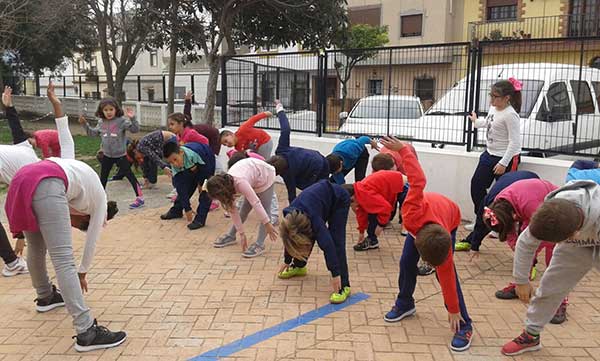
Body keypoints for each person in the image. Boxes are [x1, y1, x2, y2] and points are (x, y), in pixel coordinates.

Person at [4, 83, 125, 352]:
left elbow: (65, 136)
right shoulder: (99, 204)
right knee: (62, 259)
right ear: (85, 216)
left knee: (37, 246)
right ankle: (87, 332)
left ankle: (46, 296)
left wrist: (57, 105)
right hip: (44, 181)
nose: (72, 223)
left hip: (23, 180)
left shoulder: (75, 172)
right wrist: (81, 272)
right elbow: (92, 241)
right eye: (76, 223)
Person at [379, 136, 473, 352]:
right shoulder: (410, 211)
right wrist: (403, 150)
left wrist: (453, 308)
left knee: (445, 273)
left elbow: (448, 278)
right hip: (425, 213)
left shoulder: (442, 244)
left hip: (449, 216)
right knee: (406, 262)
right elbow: (418, 180)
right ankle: (405, 303)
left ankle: (465, 324)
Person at [501, 180, 600, 355]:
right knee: (549, 288)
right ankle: (531, 336)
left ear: (573, 234)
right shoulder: (550, 212)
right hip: (576, 247)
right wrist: (521, 280)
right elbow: (525, 243)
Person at [482, 178, 568, 324]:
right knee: (524, 251)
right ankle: (520, 285)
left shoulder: (529, 206)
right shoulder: (499, 204)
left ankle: (560, 301)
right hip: (535, 209)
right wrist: (517, 249)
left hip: (558, 213)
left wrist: (527, 254)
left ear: (513, 217)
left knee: (554, 258)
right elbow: (510, 233)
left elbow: (537, 238)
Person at [279, 180, 352, 303]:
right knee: (302, 237)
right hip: (317, 203)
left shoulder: (314, 219)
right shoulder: (289, 217)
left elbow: (328, 246)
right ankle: (299, 266)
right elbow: (289, 239)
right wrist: (287, 260)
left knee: (336, 241)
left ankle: (344, 286)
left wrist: (335, 274)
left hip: (338, 200)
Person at [467, 78, 522, 230]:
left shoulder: (511, 115)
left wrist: (503, 163)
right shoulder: (494, 109)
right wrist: (476, 121)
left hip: (506, 158)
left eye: (495, 96)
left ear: (507, 98)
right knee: (476, 186)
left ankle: (500, 226)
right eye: (490, 95)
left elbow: (514, 142)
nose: (492, 99)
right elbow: (487, 123)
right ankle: (481, 219)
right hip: (489, 154)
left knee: (503, 194)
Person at [0, 86, 40, 277]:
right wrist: (21, 238)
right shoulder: (36, 179)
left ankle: (11, 262)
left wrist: (9, 108)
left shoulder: (27, 148)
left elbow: (17, 129)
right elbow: (21, 210)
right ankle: (12, 263)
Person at [206, 157, 279, 258]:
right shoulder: (227, 185)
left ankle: (260, 244)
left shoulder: (240, 182)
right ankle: (231, 235)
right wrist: (242, 234)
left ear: (221, 192)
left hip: (265, 175)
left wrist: (267, 223)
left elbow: (256, 203)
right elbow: (233, 211)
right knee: (244, 209)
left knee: (265, 207)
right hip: (251, 175)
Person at [79, 97, 143, 209]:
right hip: (107, 155)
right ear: (101, 111)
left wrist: (133, 119)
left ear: (116, 109)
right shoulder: (101, 122)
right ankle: (99, 200)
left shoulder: (121, 121)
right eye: (106, 110)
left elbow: (135, 130)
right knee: (102, 178)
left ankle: (140, 198)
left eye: (111, 109)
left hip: (121, 156)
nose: (108, 112)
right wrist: (85, 125)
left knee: (130, 176)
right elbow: (93, 134)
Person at [455, 170, 539, 252]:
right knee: (489, 222)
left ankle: (528, 259)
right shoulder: (488, 202)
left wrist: (527, 257)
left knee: (524, 231)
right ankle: (469, 241)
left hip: (531, 183)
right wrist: (474, 246)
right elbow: (480, 223)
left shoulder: (528, 205)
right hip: (509, 180)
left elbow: (529, 230)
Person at [267, 100, 329, 203]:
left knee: (311, 192)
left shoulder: (288, 174)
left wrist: (291, 210)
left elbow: (292, 194)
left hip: (316, 167)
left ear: (279, 173)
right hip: (319, 156)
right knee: (323, 188)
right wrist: (279, 108)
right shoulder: (281, 149)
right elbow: (285, 129)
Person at [345, 170, 406, 252]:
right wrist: (361, 232)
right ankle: (372, 239)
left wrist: (381, 225)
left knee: (374, 215)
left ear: (352, 198)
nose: (352, 208)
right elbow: (361, 214)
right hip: (396, 182)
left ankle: (372, 241)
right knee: (372, 212)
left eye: (350, 205)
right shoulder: (359, 192)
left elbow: (385, 208)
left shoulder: (365, 194)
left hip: (403, 185)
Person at [161, 142, 215, 230]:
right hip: (190, 163)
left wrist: (201, 184)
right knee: (185, 186)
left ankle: (200, 219)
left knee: (206, 191)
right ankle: (176, 211)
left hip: (206, 159)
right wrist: (187, 208)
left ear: (181, 152)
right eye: (171, 162)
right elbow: (181, 188)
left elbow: (205, 174)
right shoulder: (176, 165)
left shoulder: (197, 153)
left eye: (175, 159)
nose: (174, 164)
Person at [2, 86, 60, 158]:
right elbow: (15, 127)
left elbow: (15, 126)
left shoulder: (25, 146)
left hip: (57, 139)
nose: (31, 145)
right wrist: (9, 107)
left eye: (30, 143)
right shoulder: (24, 144)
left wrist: (9, 106)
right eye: (30, 143)